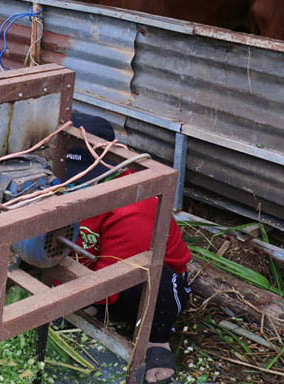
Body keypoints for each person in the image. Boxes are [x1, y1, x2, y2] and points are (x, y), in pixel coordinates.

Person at [67, 113, 191, 384]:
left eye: (86, 177)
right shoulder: (63, 188)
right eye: (71, 178)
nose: (74, 186)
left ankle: (156, 341)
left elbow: (111, 278)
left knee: (153, 284)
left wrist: (71, 301)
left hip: (136, 278)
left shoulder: (132, 207)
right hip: (89, 260)